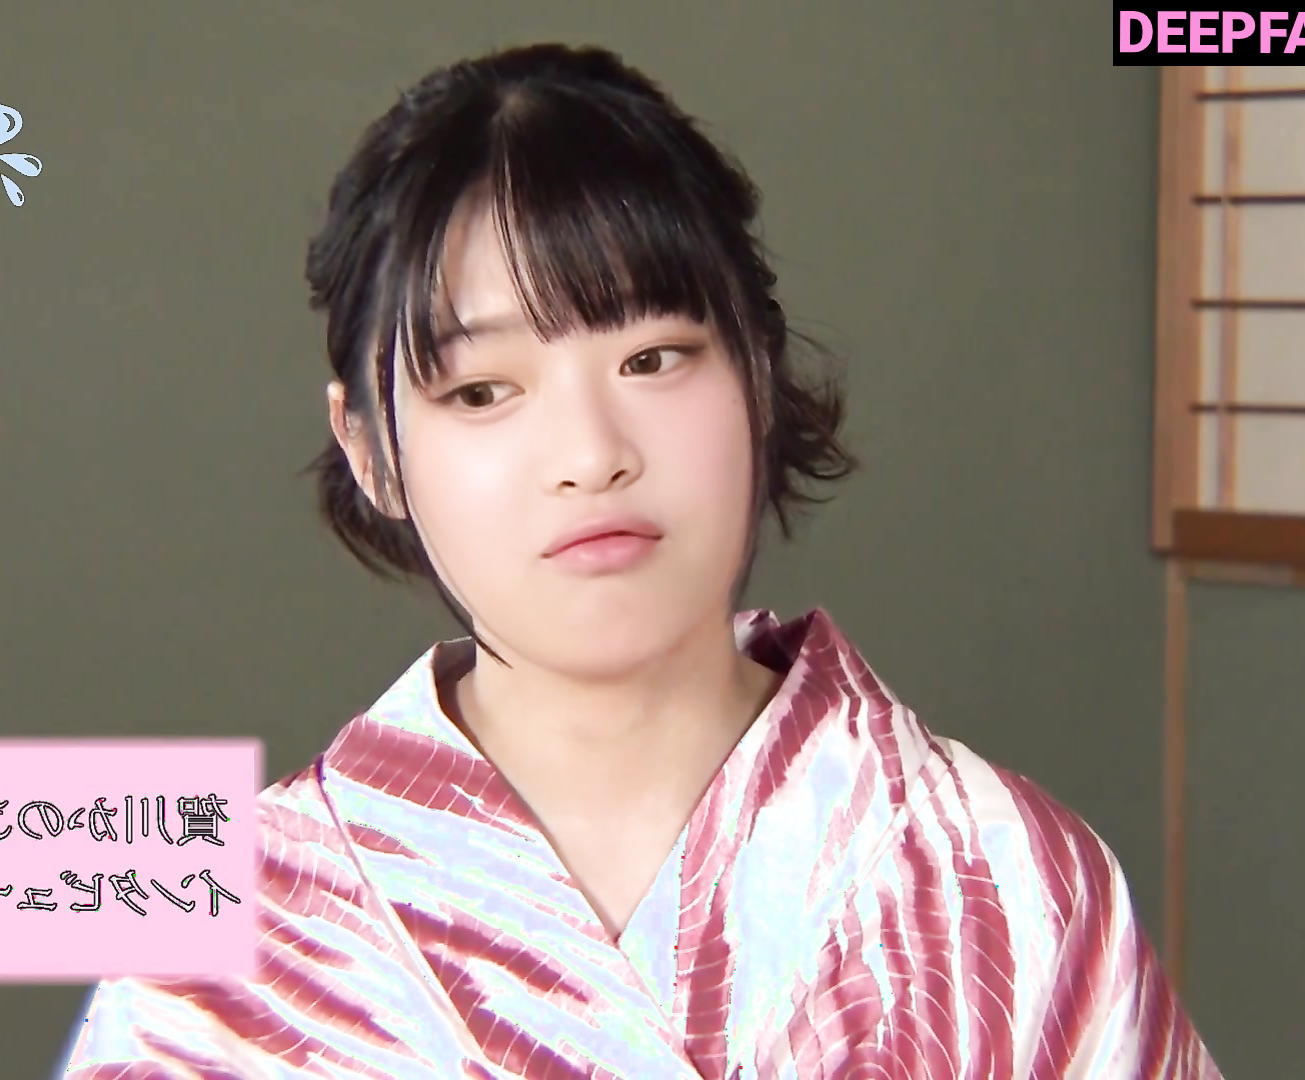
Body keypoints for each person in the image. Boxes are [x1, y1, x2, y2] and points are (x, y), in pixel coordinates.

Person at [62, 43, 1220, 1079]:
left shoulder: (1005, 876)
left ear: (757, 370)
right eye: (483, 390)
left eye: (655, 358)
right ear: (369, 448)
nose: (591, 454)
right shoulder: (221, 943)